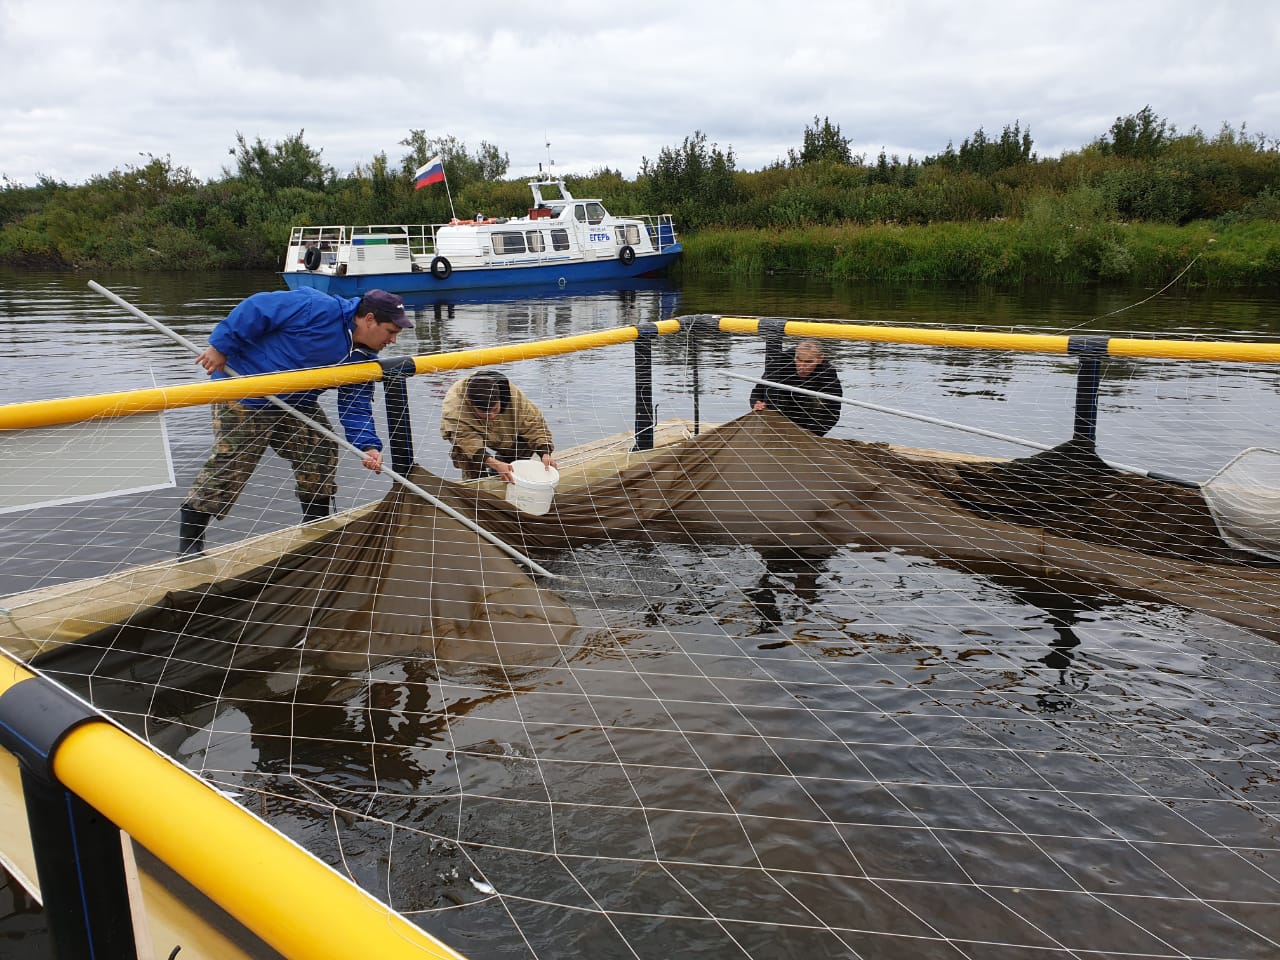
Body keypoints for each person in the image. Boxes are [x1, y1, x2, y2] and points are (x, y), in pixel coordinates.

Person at [178, 287, 413, 556]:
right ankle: (190, 545)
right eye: (390, 332)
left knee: (321, 448)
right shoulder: (317, 307)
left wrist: (368, 446)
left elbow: (355, 405)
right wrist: (220, 346)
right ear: (369, 319)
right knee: (232, 464)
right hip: (245, 393)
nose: (393, 341)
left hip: (297, 403)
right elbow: (258, 307)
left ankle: (317, 527)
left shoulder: (363, 356)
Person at [440, 370, 556, 481]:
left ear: (499, 398)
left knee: (524, 443)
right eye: (484, 413)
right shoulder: (454, 408)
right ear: (470, 403)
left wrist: (544, 452)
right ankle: (477, 482)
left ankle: (504, 470)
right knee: (465, 452)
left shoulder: (512, 395)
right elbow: (467, 441)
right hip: (471, 431)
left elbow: (534, 424)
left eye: (495, 409)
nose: (491, 416)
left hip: (505, 429)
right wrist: (492, 462)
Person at [749, 338, 843, 436]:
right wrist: (756, 403)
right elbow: (758, 391)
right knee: (770, 392)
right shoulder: (781, 362)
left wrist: (811, 435)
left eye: (808, 362)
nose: (802, 366)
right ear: (794, 356)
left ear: (820, 360)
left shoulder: (828, 374)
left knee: (817, 401)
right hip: (781, 409)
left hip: (809, 419)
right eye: (798, 359)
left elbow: (833, 412)